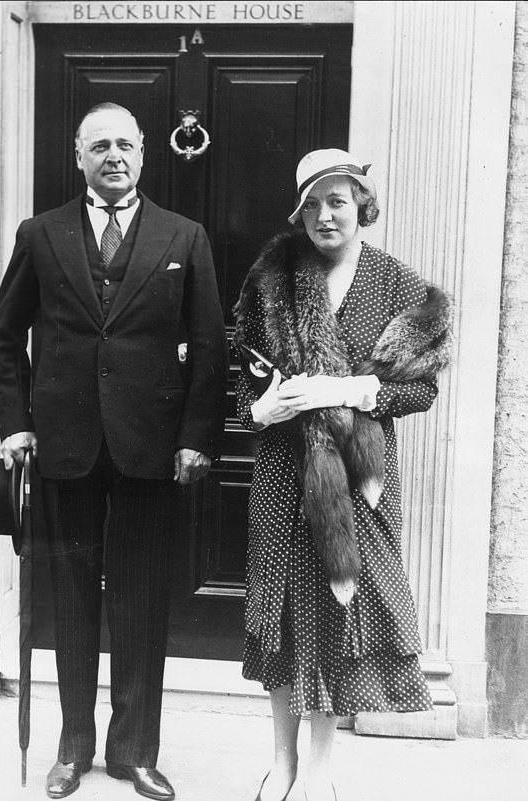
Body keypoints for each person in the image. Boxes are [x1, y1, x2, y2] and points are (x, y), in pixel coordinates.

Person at [0, 102, 228, 800]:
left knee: (142, 599)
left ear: (146, 154)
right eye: (100, 145)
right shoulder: (40, 235)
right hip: (63, 444)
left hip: (151, 448)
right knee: (69, 601)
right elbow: (6, 338)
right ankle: (72, 746)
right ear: (78, 154)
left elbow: (209, 346)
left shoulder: (185, 236)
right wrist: (16, 423)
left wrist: (195, 438)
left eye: (126, 143)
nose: (114, 155)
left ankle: (134, 752)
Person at [233, 149, 453, 801]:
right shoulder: (271, 277)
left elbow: (422, 389)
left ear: (362, 203)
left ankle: (322, 764)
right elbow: (242, 375)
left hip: (357, 477)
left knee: (337, 609)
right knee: (276, 610)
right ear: (299, 211)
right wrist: (262, 408)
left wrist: (361, 389)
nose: (326, 213)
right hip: (281, 470)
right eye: (314, 202)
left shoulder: (397, 284)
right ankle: (281, 760)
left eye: (339, 199)